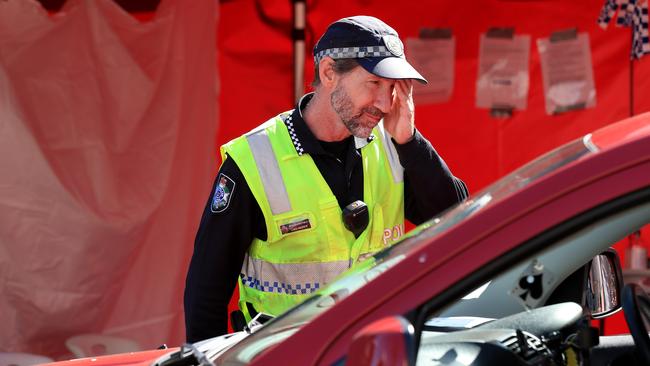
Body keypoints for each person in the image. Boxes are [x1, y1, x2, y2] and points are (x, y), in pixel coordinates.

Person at [184, 15, 468, 342]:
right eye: (374, 83)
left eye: (392, 88)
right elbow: (206, 291)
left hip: (373, 352)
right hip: (285, 355)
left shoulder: (395, 143)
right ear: (329, 72)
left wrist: (411, 141)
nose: (383, 102)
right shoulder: (255, 158)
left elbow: (458, 220)